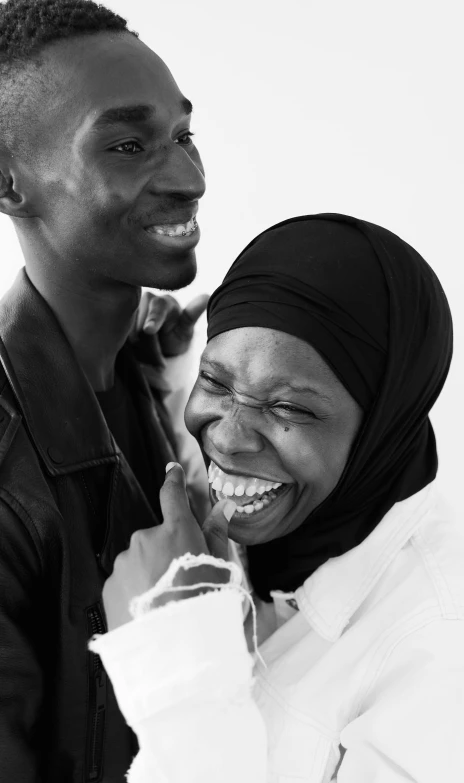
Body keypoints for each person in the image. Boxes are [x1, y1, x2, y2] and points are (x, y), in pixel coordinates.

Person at [93, 215, 464, 783]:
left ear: (382, 426)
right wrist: (164, 378)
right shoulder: (297, 508)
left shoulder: (439, 642)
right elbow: (223, 468)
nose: (228, 436)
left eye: (288, 408)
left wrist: (180, 659)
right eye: (215, 382)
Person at [0, 0, 209, 779]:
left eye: (184, 136)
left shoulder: (150, 375)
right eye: (128, 145)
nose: (189, 179)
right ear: (8, 181)